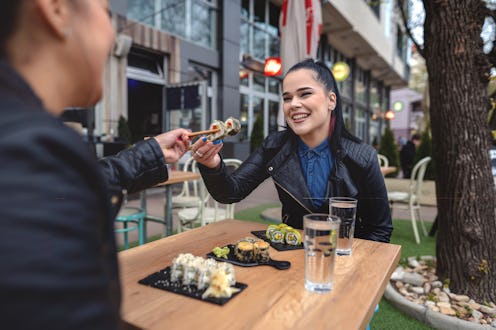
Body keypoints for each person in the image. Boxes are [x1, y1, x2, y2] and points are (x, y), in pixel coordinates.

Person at [0, 1, 191, 329]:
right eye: (105, 10)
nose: (112, 30)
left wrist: (151, 153)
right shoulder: (32, 154)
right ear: (55, 9)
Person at [191, 59, 392, 243]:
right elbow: (230, 193)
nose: (294, 104)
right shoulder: (274, 146)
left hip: (345, 259)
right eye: (287, 98)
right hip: (290, 255)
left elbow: (380, 230)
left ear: (331, 100)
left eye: (305, 94)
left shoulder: (363, 156)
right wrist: (212, 164)